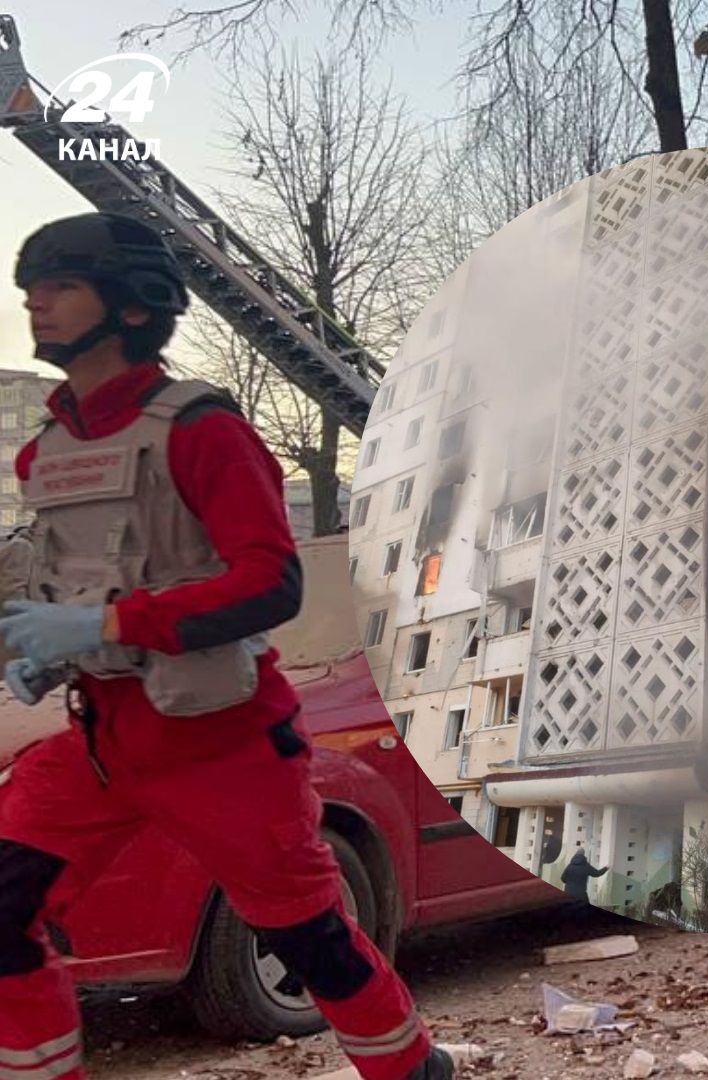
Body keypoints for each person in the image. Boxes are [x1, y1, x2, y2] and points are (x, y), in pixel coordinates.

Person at [0, 213, 455, 1080]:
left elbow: (269, 585)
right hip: (102, 741)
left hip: (224, 746)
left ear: (132, 306)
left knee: (307, 938)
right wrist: (55, 651)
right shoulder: (44, 455)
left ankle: (414, 1070)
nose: (36, 301)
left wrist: (102, 627)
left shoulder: (202, 430)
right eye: (31, 286)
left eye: (60, 284)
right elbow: (84, 584)